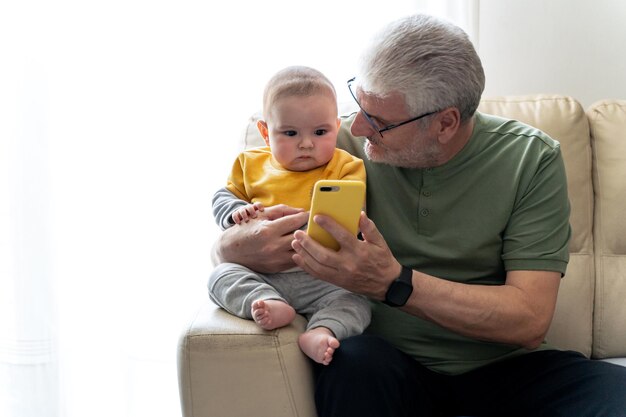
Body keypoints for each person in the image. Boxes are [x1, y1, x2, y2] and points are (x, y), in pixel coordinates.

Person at [212, 14, 626, 417]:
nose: (356, 128)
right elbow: (235, 234)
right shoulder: (326, 148)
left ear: (445, 123)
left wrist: (394, 282)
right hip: (384, 362)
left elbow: (528, 320)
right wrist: (234, 244)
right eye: (359, 102)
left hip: (507, 368)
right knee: (352, 364)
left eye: (378, 120)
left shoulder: (531, 159)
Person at [209, 65, 370, 366]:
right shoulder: (249, 163)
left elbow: (354, 212)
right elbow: (222, 197)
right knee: (219, 277)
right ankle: (268, 302)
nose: (306, 143)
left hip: (322, 277)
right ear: (265, 132)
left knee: (357, 302)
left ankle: (321, 330)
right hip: (263, 273)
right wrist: (236, 213)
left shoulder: (346, 165)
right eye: (290, 133)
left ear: (336, 127)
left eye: (320, 132)